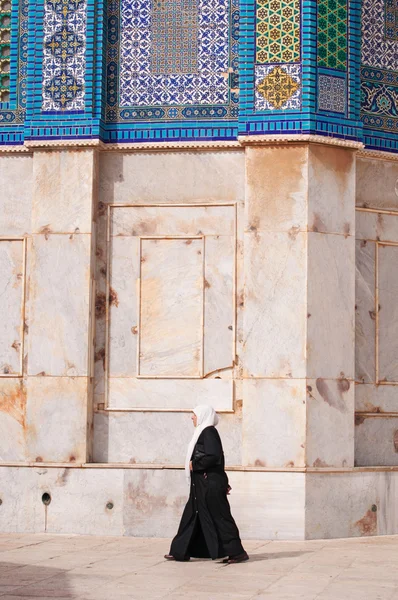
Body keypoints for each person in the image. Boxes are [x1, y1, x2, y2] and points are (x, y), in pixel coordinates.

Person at [164, 405, 249, 564]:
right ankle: (180, 551)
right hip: (202, 484)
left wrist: (194, 464)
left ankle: (237, 552)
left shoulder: (209, 432)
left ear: (203, 416)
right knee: (191, 516)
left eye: (194, 415)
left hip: (208, 484)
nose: (192, 418)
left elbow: (213, 456)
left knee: (220, 517)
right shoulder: (203, 432)